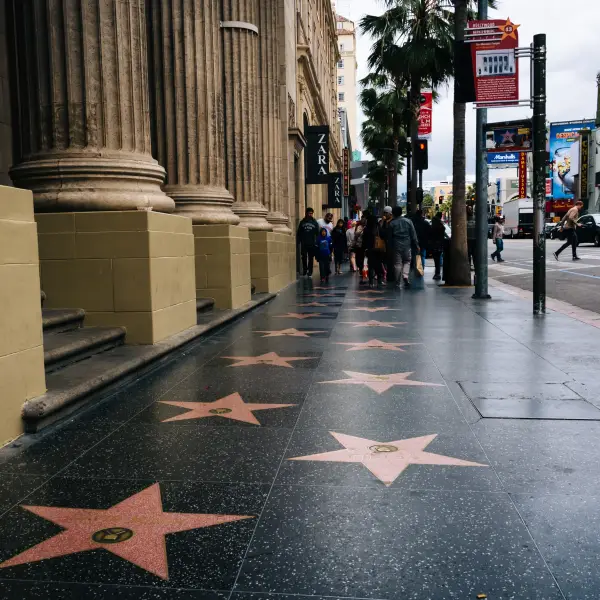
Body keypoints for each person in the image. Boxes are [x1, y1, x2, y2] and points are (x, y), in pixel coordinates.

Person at [389, 206, 419, 289]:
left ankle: (397, 281)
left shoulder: (392, 223)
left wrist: (389, 247)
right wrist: (416, 244)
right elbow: (413, 234)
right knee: (407, 261)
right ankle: (405, 276)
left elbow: (390, 237)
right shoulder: (408, 221)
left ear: (393, 213)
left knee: (397, 264)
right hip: (407, 244)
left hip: (396, 245)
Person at [363, 214, 386, 287]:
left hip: (370, 249)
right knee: (378, 265)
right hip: (378, 249)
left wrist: (365, 249)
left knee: (371, 266)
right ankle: (379, 281)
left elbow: (364, 240)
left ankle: (371, 282)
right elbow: (383, 235)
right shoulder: (378, 227)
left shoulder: (366, 229)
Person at [296, 207, 319, 277]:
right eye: (309, 213)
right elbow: (299, 233)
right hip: (304, 243)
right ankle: (305, 270)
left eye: (311, 213)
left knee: (311, 258)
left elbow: (317, 233)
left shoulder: (315, 222)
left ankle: (310, 271)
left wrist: (317, 242)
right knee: (304, 257)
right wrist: (298, 241)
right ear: (306, 213)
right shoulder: (302, 222)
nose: (310, 214)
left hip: (312, 243)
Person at [380, 206, 395, 283]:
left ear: (390, 213)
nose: (384, 214)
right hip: (386, 244)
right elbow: (381, 233)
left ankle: (391, 276)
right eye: (384, 213)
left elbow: (383, 233)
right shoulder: (385, 222)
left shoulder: (392, 222)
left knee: (391, 262)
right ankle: (389, 276)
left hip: (391, 245)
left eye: (386, 213)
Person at [430, 212, 446, 281]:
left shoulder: (433, 227)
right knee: (438, 259)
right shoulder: (441, 226)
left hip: (434, 245)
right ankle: (438, 273)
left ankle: (437, 273)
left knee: (436, 260)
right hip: (440, 244)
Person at [354, 214, 367, 282]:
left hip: (365, 246)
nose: (363, 220)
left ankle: (364, 271)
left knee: (364, 259)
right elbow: (356, 234)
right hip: (359, 245)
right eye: (362, 219)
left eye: (364, 219)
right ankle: (360, 269)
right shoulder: (359, 226)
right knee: (358, 259)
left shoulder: (368, 227)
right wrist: (361, 230)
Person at [466, 205, 476, 271]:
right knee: (471, 255)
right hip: (470, 239)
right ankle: (472, 266)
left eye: (471, 208)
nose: (470, 210)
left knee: (471, 255)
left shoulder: (474, 218)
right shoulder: (474, 218)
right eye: (469, 209)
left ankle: (471, 266)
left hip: (471, 239)